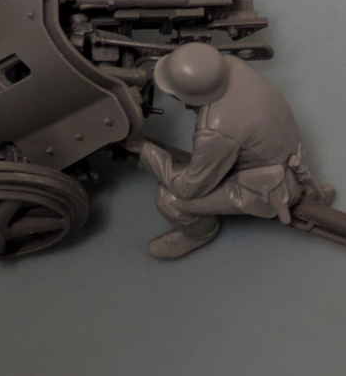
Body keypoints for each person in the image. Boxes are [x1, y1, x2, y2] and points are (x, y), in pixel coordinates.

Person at [137, 43, 335, 260]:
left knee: (168, 199)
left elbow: (187, 188)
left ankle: (200, 233)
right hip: (293, 156)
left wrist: (144, 150)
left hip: (270, 187)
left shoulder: (215, 130)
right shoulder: (232, 64)